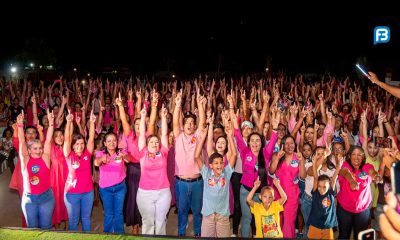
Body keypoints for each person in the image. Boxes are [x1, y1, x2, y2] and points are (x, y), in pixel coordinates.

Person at [194, 122, 237, 238]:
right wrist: (203, 137)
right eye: (216, 163)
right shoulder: (206, 173)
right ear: (211, 165)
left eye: (221, 163)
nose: (219, 165)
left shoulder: (227, 173)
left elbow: (234, 155)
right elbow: (196, 157)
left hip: (223, 216)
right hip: (208, 215)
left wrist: (229, 136)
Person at [172, 90, 205, 237]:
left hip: (198, 181)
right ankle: (181, 234)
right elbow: (174, 122)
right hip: (181, 182)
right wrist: (178, 104)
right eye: (187, 123)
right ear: (183, 125)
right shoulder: (178, 136)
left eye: (192, 123)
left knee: (198, 211)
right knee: (182, 211)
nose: (190, 125)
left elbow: (202, 122)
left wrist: (199, 103)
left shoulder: (198, 136)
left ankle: (198, 234)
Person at [137, 104, 171, 235]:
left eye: (157, 142)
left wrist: (163, 117)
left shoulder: (163, 152)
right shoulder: (143, 152)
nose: (155, 144)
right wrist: (143, 116)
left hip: (163, 192)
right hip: (145, 194)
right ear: (147, 143)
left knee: (161, 221)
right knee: (148, 222)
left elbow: (164, 133)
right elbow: (141, 135)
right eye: (151, 142)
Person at [18, 110, 55, 229]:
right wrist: (19, 125)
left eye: (40, 148)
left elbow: (48, 140)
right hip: (29, 199)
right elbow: (22, 141)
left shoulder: (45, 158)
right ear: (28, 150)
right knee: (32, 228)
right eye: (35, 148)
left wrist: (51, 124)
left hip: (46, 198)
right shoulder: (25, 159)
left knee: (46, 227)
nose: (39, 150)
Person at [337, 146, 382, 239]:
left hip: (363, 210)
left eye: (359, 155)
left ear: (363, 157)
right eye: (353, 154)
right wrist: (352, 181)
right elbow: (345, 172)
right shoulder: (345, 165)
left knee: (360, 236)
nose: (356, 157)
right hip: (344, 209)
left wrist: (376, 176)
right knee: (344, 235)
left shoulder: (367, 166)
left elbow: (372, 172)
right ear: (349, 156)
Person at [63, 109, 96, 231]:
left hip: (88, 192)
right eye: (77, 144)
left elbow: (91, 139)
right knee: (73, 220)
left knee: (86, 218)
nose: (80, 146)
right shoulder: (68, 154)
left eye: (82, 143)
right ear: (72, 145)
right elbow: (66, 139)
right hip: (72, 194)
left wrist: (92, 123)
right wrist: (68, 123)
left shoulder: (87, 154)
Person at [94, 132, 131, 234]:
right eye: (109, 141)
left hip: (120, 188)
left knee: (118, 213)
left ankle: (119, 235)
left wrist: (125, 157)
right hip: (106, 190)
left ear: (117, 142)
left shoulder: (121, 152)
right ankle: (108, 235)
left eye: (114, 140)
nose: (112, 143)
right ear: (105, 143)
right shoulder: (100, 153)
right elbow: (96, 162)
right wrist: (102, 159)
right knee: (108, 214)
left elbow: (129, 159)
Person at [307, 151, 343, 239]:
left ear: (329, 187)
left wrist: (338, 167)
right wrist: (314, 163)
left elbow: (334, 179)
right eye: (319, 186)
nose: (321, 189)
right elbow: (316, 177)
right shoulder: (315, 192)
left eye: (324, 187)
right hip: (315, 226)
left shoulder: (330, 192)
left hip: (328, 227)